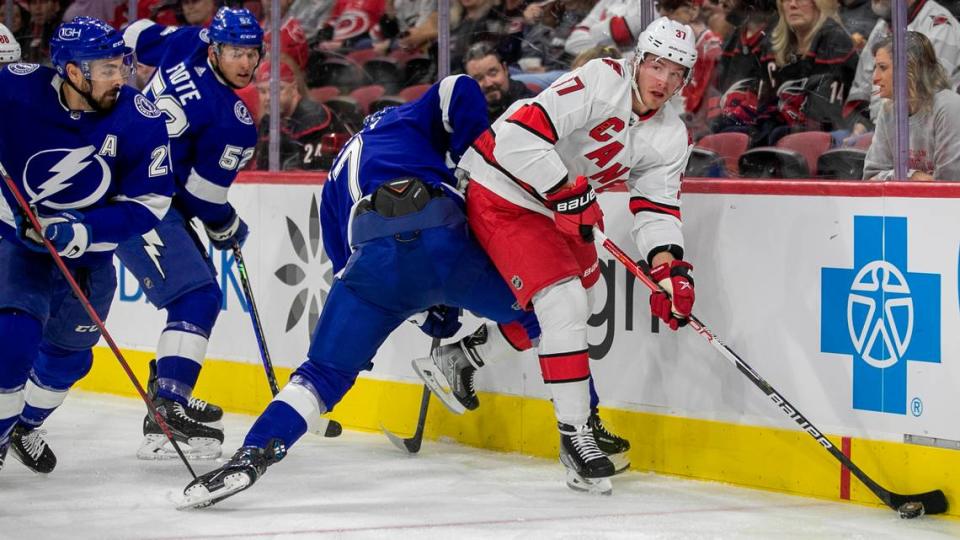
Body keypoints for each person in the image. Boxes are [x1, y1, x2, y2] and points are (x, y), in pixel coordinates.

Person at [178, 75, 545, 508]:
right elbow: (459, 86)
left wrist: (425, 307)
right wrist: (473, 166)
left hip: (372, 265)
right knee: (546, 312)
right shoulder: (403, 119)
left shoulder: (333, 179)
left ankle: (251, 455)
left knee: (320, 375)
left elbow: (351, 269)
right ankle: (581, 428)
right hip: (443, 241)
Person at [457, 16, 697, 494]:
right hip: (503, 188)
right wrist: (567, 190)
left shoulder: (671, 134)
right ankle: (575, 436)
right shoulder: (599, 79)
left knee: (583, 301)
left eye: (676, 73)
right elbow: (518, 137)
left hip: (556, 206)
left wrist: (668, 271)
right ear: (638, 60)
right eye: (657, 66)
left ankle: (462, 357)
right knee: (564, 304)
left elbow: (656, 208)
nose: (663, 81)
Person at [0, 16, 173, 473]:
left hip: (89, 257)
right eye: (108, 68)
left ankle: (25, 425)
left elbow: (150, 202)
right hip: (20, 247)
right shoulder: (15, 90)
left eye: (123, 65)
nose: (121, 77)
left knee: (68, 361)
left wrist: (83, 230)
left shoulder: (139, 117)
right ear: (74, 72)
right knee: (11, 341)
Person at [117, 7, 262, 460]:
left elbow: (135, 33)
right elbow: (204, 197)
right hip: (138, 201)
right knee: (196, 298)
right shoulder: (232, 120)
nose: (245, 63)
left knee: (196, 297)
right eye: (236, 52)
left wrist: (122, 95)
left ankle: (165, 408)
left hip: (129, 182)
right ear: (215, 48)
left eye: (252, 53)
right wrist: (229, 227)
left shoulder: (184, 42)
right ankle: (168, 411)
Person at [844, 0, 960, 141]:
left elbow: (920, 100)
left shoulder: (940, 24)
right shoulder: (884, 25)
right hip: (881, 132)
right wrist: (861, 126)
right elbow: (862, 87)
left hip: (926, 139)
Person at [756, 0, 859, 145]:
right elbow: (765, 109)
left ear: (820, 3)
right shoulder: (772, 45)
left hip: (825, 143)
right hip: (784, 137)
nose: (792, 5)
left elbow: (824, 118)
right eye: (785, 0)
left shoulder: (835, 42)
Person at [862, 32, 960, 181]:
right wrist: (911, 176)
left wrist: (898, 178)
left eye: (882, 67)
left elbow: (948, 186)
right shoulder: (889, 110)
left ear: (910, 68)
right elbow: (870, 177)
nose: (875, 78)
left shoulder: (949, 107)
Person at [253, 59, 334, 170]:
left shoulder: (313, 117)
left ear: (294, 88)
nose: (268, 97)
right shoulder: (268, 121)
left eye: (276, 90)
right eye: (262, 91)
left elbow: (312, 172)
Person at [463, 41, 535, 123]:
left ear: (505, 69)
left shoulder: (529, 107)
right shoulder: (466, 113)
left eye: (493, 73)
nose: (488, 83)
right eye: (478, 78)